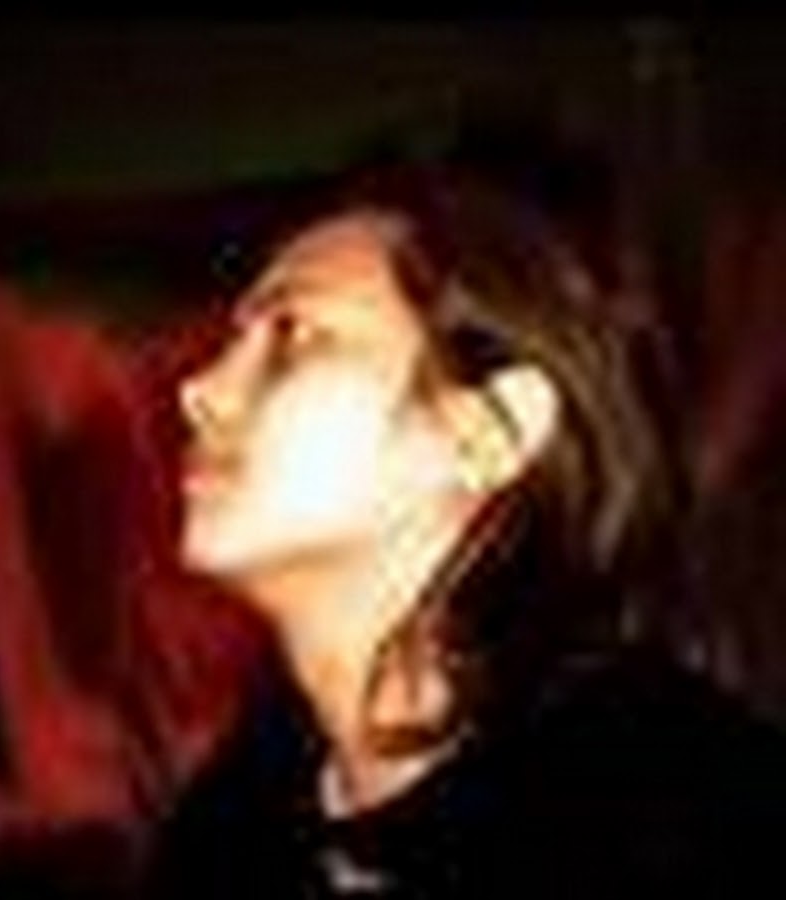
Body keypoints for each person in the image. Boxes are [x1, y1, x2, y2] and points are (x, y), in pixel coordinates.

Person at [145, 160, 786, 897]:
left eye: (292, 334)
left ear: (489, 433)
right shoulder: (226, 824)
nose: (201, 390)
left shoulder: (688, 815)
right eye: (235, 337)